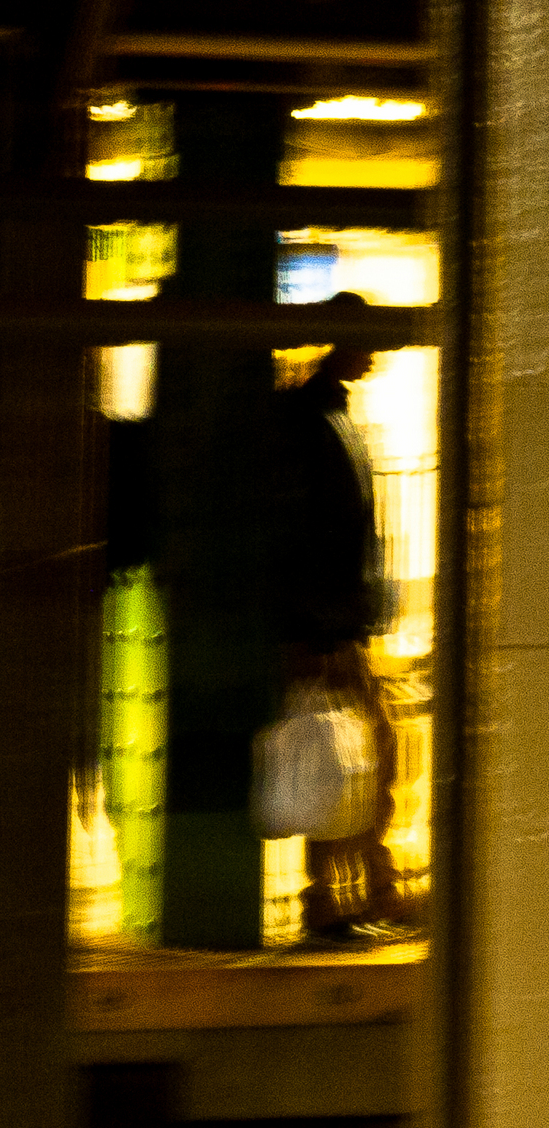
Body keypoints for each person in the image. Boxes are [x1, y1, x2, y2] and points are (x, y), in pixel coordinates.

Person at [273, 293, 408, 940]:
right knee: (342, 761)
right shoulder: (309, 422)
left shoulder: (333, 417)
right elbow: (303, 537)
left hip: (339, 624)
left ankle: (364, 892)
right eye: (367, 343)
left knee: (368, 757)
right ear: (339, 346)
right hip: (323, 629)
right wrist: (315, 632)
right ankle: (332, 902)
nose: (376, 355)